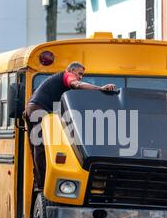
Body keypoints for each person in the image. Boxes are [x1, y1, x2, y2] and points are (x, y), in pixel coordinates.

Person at [23, 62, 116, 191]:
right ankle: (42, 184)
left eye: (82, 75)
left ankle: (40, 182)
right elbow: (77, 84)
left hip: (38, 109)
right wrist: (101, 89)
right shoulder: (67, 76)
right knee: (42, 146)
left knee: (42, 147)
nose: (80, 77)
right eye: (79, 74)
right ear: (71, 70)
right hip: (38, 109)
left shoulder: (64, 85)